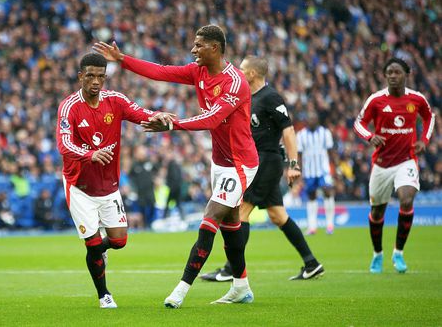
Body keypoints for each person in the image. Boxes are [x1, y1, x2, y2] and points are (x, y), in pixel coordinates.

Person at [94, 24, 259, 308]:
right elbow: (161, 71)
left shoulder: (235, 82)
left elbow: (210, 119)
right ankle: (241, 286)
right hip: (219, 163)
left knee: (209, 219)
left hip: (241, 164)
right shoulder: (199, 72)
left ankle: (181, 290)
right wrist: (123, 60)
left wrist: (172, 123)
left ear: (214, 48)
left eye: (199, 45)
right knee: (230, 225)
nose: (193, 50)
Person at [56, 53, 173, 308]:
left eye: (100, 76)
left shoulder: (115, 100)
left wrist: (156, 116)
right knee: (93, 242)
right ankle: (104, 295)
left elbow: (138, 112)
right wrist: (90, 154)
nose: (96, 81)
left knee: (118, 241)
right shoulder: (69, 107)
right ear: (80, 77)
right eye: (90, 76)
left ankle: (100, 250)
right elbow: (64, 144)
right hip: (80, 187)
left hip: (108, 185)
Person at [200, 55, 324, 282]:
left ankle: (231, 269)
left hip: (267, 160)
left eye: (243, 68)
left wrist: (294, 165)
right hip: (258, 160)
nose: (238, 71)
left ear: (253, 74)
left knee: (241, 211)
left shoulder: (270, 97)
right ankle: (311, 262)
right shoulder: (247, 96)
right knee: (278, 216)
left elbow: (288, 130)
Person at [353, 57, 435, 274]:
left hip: (406, 160)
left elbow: (430, 118)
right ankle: (377, 254)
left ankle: (398, 252)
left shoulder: (416, 99)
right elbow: (358, 123)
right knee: (377, 212)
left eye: (397, 72)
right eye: (389, 72)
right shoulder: (376, 100)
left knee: (406, 199)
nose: (392, 76)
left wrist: (424, 141)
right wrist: (370, 137)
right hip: (381, 164)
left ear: (406, 74)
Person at [296, 111, 335, 235]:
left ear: (317, 120)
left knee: (327, 192)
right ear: (307, 121)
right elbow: (300, 155)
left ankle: (330, 225)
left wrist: (335, 168)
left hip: (323, 170)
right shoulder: (301, 135)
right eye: (309, 119)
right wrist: (299, 171)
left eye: (314, 119)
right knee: (311, 196)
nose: (312, 121)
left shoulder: (325, 133)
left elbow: (330, 152)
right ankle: (312, 226)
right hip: (309, 171)